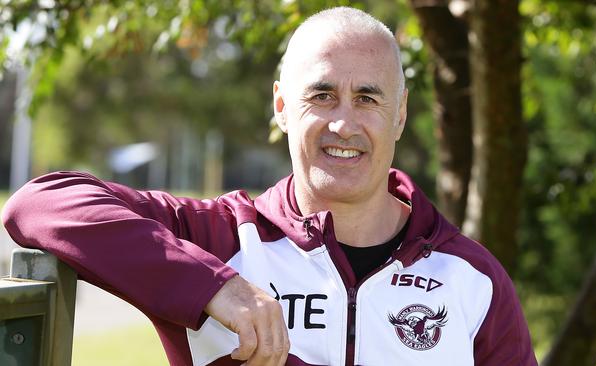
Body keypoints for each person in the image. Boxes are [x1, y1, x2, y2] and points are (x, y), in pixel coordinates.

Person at [2, 7, 537, 366]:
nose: (344, 124)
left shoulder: (472, 280)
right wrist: (217, 286)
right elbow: (41, 203)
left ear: (400, 115)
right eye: (322, 95)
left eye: (368, 99)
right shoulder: (219, 239)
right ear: (282, 106)